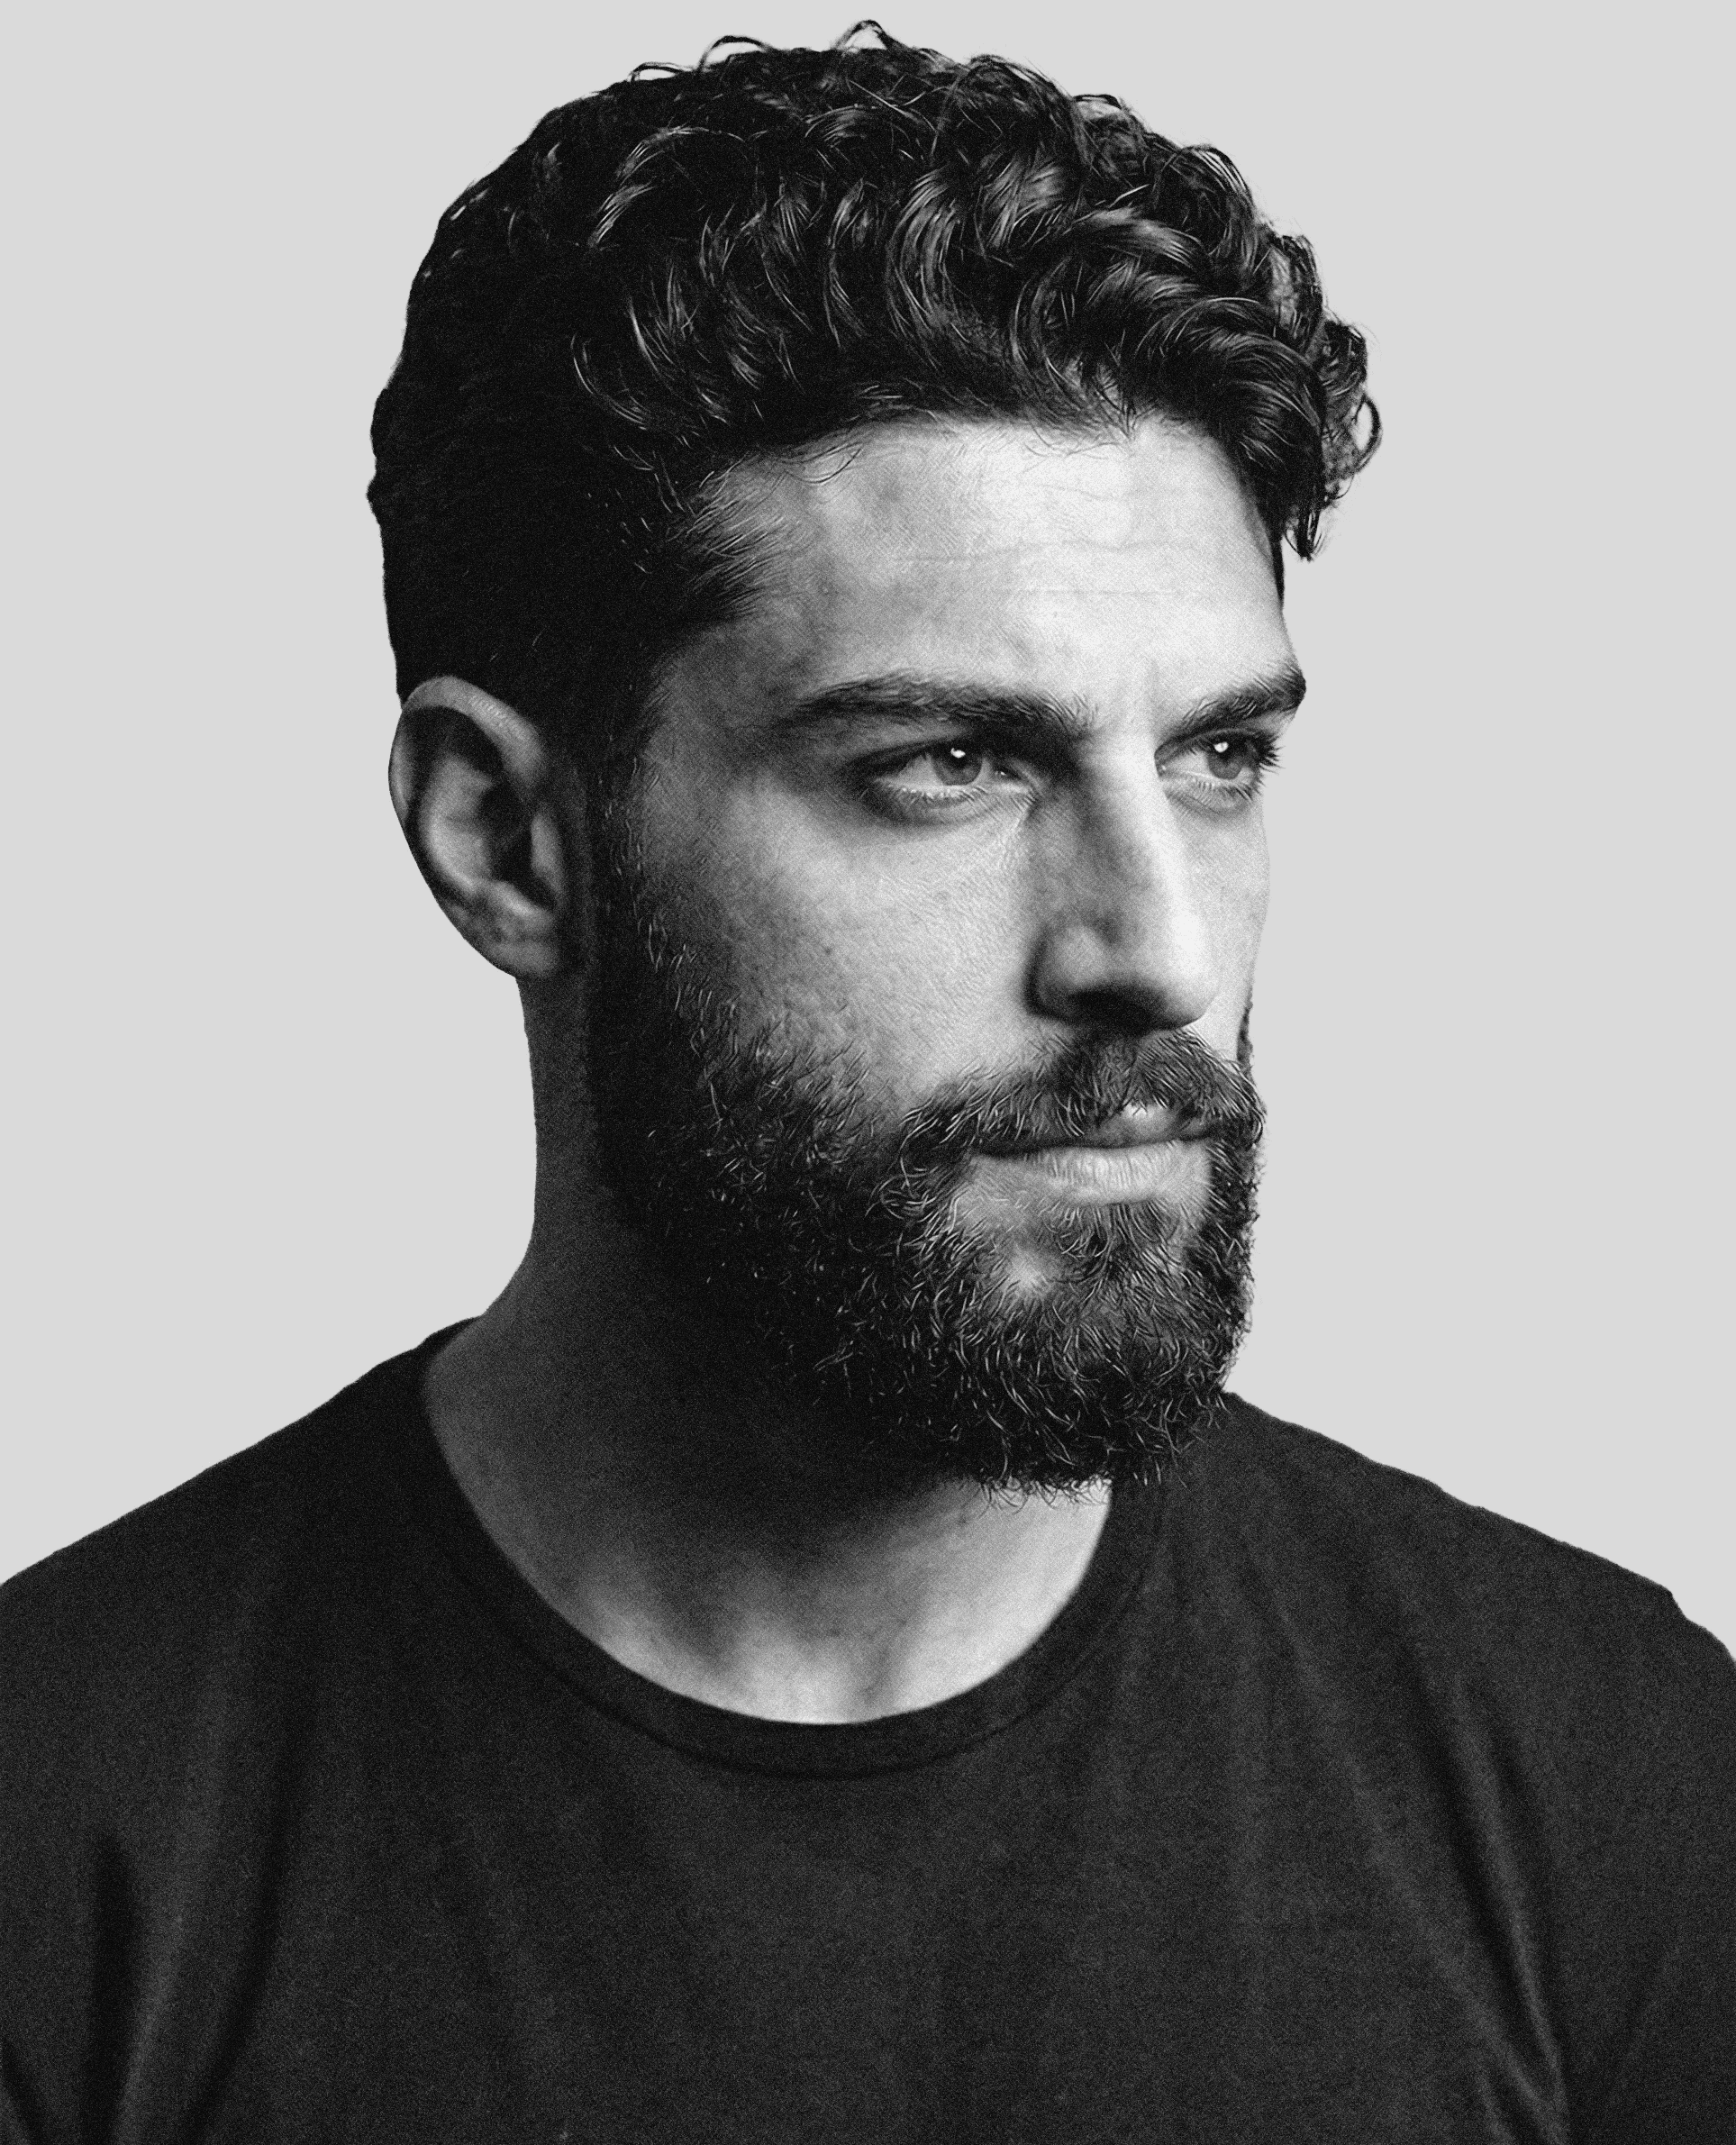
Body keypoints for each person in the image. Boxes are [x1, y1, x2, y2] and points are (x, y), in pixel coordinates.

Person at [2, 26, 1730, 2141]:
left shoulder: (1607, 1775)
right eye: (951, 762)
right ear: (506, 839)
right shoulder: (64, 1837)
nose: (1157, 946)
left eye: (1221, 754)